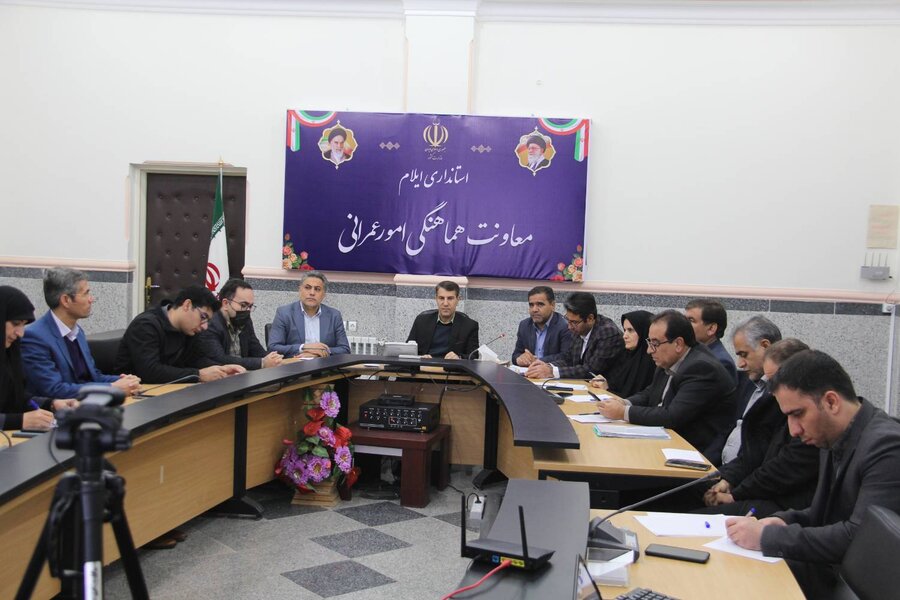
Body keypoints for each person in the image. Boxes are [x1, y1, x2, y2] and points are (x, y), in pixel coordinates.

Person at [726, 350, 900, 598]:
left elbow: (861, 538)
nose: (793, 431)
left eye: (797, 414)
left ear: (831, 402)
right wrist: (784, 520)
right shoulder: (831, 434)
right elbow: (824, 513)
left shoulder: (887, 446)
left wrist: (768, 537)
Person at [697, 338, 819, 517]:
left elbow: (784, 469)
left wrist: (735, 494)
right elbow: (751, 453)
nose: (771, 388)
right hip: (748, 484)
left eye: (775, 380)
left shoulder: (811, 419)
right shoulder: (769, 401)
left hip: (781, 504)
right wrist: (728, 479)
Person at [596, 310, 737, 464]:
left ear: (678, 344)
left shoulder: (701, 367)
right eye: (649, 342)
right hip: (669, 439)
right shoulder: (669, 359)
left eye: (655, 343)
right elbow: (650, 393)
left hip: (695, 453)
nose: (649, 350)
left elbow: (672, 416)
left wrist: (623, 412)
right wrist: (624, 402)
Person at [21, 267, 142, 398]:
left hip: (86, 403)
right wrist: (112, 387)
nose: (91, 299)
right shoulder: (34, 337)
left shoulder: (77, 332)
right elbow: (54, 389)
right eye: (85, 294)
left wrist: (125, 381)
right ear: (66, 300)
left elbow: (93, 377)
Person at [114, 285, 245, 384]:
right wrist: (199, 374)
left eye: (208, 321)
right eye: (203, 317)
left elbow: (196, 360)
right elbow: (150, 371)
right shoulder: (145, 325)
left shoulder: (189, 329)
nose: (205, 326)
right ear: (187, 305)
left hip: (167, 392)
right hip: (134, 396)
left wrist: (221, 370)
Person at [1, 286, 76, 431]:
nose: (20, 333)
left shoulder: (8, 352)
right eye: (16, 324)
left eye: (23, 325)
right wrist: (20, 421)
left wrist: (51, 404)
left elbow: (16, 397)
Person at [721, 315, 783, 464]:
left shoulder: (780, 395)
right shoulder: (747, 383)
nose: (740, 364)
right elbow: (728, 429)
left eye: (744, 355)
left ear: (765, 346)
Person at [525, 292, 624, 380]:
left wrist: (552, 372)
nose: (569, 327)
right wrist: (547, 366)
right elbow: (569, 359)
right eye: (568, 320)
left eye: (574, 322)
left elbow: (592, 370)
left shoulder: (607, 332)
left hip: (609, 390)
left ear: (590, 318)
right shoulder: (578, 329)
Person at [198, 278, 282, 370]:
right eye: (243, 305)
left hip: (243, 374)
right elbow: (220, 359)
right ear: (225, 303)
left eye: (250, 306)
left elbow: (256, 349)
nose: (247, 310)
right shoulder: (210, 324)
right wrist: (261, 363)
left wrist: (273, 358)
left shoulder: (245, 320)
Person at [268, 271, 351, 358]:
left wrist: (319, 352)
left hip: (324, 365)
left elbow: (345, 349)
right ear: (300, 290)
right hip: (295, 364)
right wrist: (303, 348)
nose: (312, 293)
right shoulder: (284, 313)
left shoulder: (334, 315)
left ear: (324, 294)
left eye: (317, 289)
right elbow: (273, 347)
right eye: (307, 288)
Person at [589, 310, 656, 398]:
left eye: (630, 330)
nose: (625, 336)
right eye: (625, 330)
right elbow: (617, 385)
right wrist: (604, 383)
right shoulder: (626, 355)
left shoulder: (651, 362)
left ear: (644, 331)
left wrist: (607, 389)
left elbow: (635, 397)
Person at [407, 281, 479, 359]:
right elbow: (408, 350)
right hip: (425, 365)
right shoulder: (421, 321)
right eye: (441, 298)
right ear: (436, 299)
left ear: (458, 300)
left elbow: (474, 355)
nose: (445, 303)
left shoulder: (469, 326)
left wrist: (459, 357)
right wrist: (421, 358)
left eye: (450, 298)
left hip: (451, 366)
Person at [511, 286, 572, 367]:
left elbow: (566, 358)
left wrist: (537, 361)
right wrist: (519, 359)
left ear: (552, 305)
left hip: (551, 373)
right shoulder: (524, 325)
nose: (534, 310)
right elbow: (516, 354)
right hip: (528, 372)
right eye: (531, 305)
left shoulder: (565, 326)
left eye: (540, 304)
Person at [684, 299, 737, 382]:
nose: (683, 324)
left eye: (691, 320)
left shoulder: (720, 362)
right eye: (684, 320)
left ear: (711, 329)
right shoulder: (693, 352)